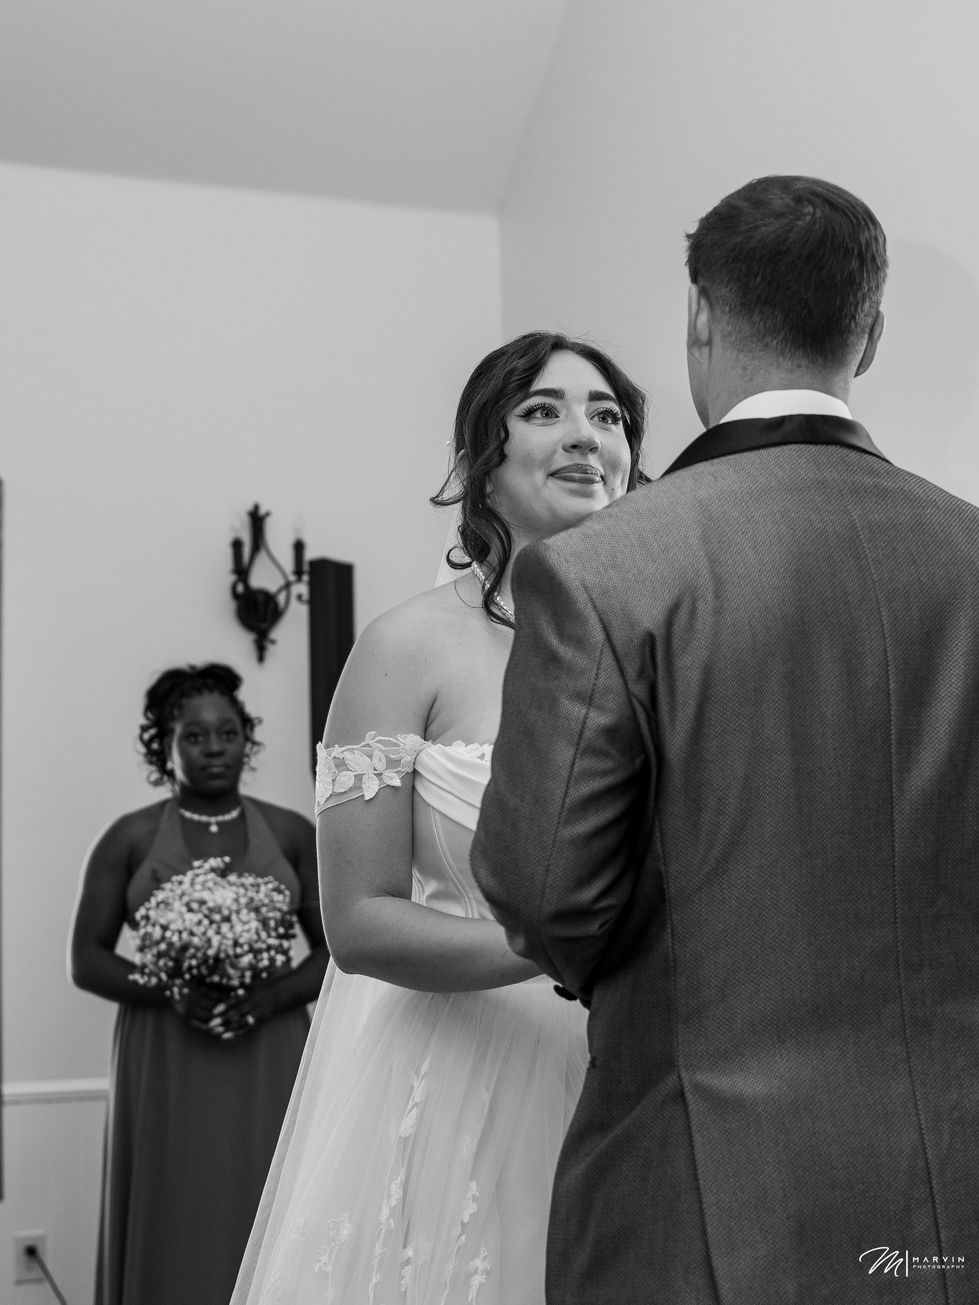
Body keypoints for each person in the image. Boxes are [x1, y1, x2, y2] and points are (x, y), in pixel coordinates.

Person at [472, 176, 979, 1304]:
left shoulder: (605, 569)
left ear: (699, 314)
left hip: (700, 1182)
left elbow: (542, 890)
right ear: (870, 335)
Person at [230, 331, 647, 1305]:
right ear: (481, 465)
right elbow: (358, 921)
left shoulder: (660, 637)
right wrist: (567, 946)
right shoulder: (405, 648)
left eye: (607, 415)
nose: (584, 435)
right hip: (464, 1080)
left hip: (633, 1082)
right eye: (542, 411)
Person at [69, 662, 329, 1305]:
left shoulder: (293, 833)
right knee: (173, 1201)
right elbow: (87, 958)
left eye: (228, 733)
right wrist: (171, 991)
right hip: (165, 1052)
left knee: (266, 1193)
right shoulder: (128, 838)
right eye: (194, 735)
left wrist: (270, 996)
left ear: (248, 739)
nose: (215, 747)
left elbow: (337, 950)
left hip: (268, 1046)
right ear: (164, 746)